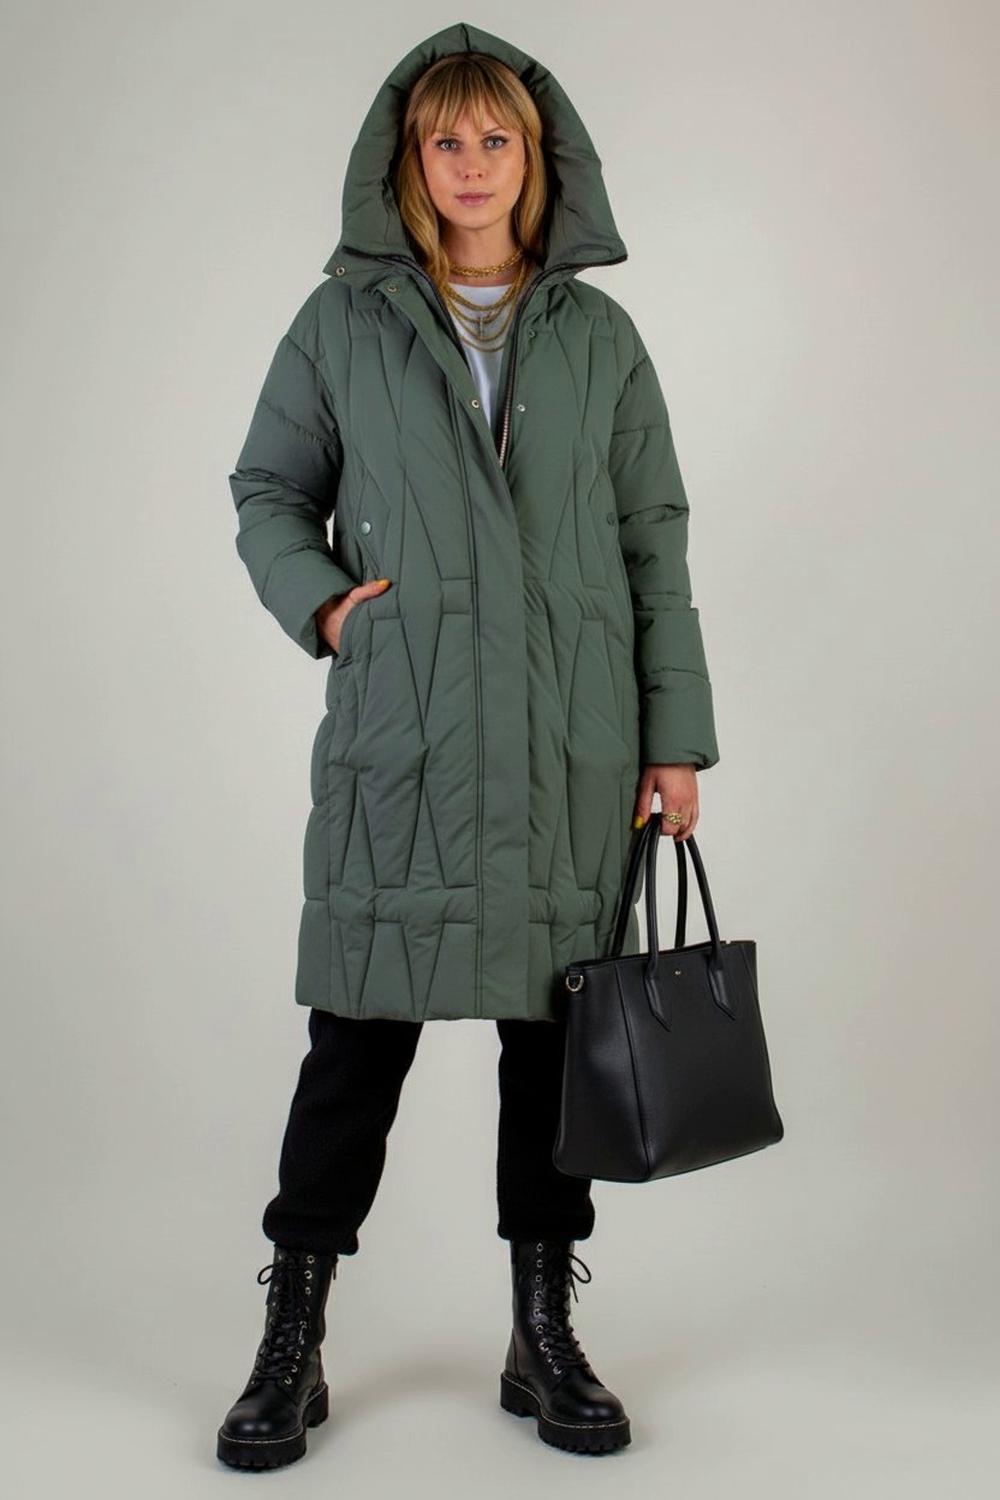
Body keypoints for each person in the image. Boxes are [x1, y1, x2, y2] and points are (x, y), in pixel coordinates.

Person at [216, 20, 719, 1468]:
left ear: (539, 159)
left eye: (498, 138)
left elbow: (653, 543)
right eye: (448, 139)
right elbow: (267, 489)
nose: (474, 164)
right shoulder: (341, 324)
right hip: (408, 741)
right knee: (354, 1044)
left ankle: (540, 1331)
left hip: (570, 746)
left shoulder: (601, 341)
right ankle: (293, 1335)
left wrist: (675, 741)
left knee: (551, 1052)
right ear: (410, 161)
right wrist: (326, 608)